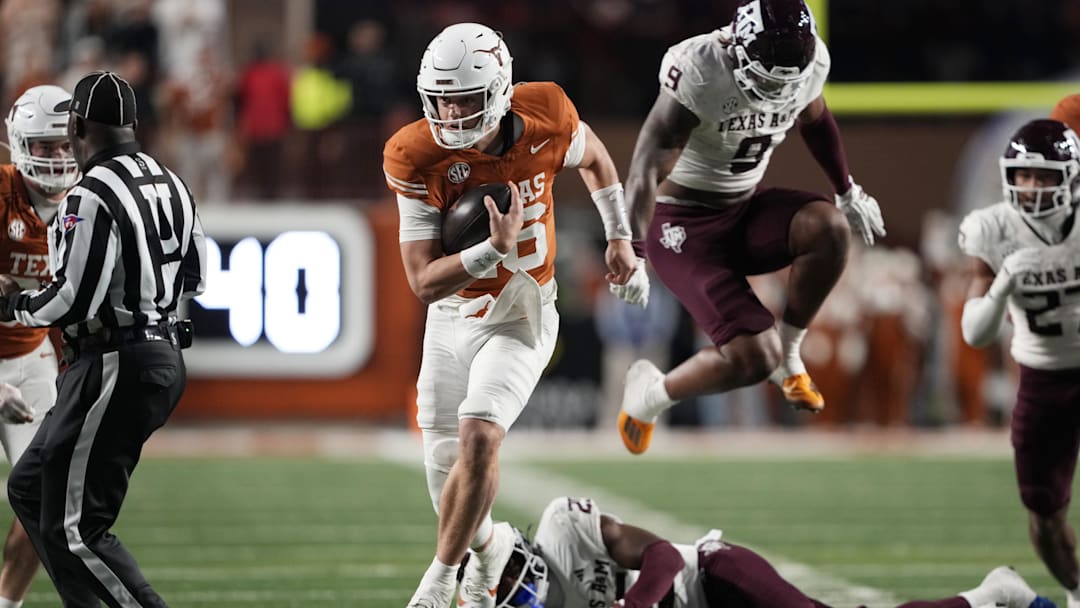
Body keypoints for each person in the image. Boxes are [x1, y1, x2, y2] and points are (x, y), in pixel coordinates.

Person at [383, 22, 645, 608]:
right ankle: (495, 553)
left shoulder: (548, 110)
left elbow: (597, 158)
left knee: (480, 438)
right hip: (452, 315)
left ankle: (438, 583)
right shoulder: (414, 151)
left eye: (464, 99)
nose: (449, 114)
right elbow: (423, 282)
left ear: (500, 91)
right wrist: (488, 251)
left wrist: (620, 236)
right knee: (445, 476)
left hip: (522, 313)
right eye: (440, 99)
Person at [615, 0, 886, 454]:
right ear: (736, 51)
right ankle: (651, 393)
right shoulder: (700, 68)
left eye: (786, 82)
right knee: (755, 358)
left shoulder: (811, 60)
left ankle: (792, 350)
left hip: (743, 209)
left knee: (830, 229)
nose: (775, 92)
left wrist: (846, 189)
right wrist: (633, 249)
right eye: (764, 78)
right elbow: (646, 165)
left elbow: (816, 122)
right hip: (683, 227)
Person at [0, 71, 206, 607]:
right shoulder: (172, 182)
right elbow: (200, 275)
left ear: (77, 126)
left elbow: (75, 300)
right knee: (29, 486)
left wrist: (15, 304)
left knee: (79, 529)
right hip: (158, 347)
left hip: (113, 358)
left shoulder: (88, 192)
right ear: (133, 123)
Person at [480, 495, 1056, 608]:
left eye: (509, 575)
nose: (515, 589)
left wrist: (640, 606)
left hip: (711, 576)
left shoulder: (561, 528)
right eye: (502, 592)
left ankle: (995, 592)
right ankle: (989, 594)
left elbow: (660, 555)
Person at [957, 118, 1080, 608]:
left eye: (1043, 176)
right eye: (1022, 175)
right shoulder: (994, 229)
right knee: (1044, 511)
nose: (1030, 187)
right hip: (1043, 375)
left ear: (1070, 177)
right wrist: (1005, 279)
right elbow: (974, 333)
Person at [0, 84, 81, 608]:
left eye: (63, 144)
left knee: (43, 501)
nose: (56, 157)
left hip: (32, 359)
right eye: (44, 146)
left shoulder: (89, 202)